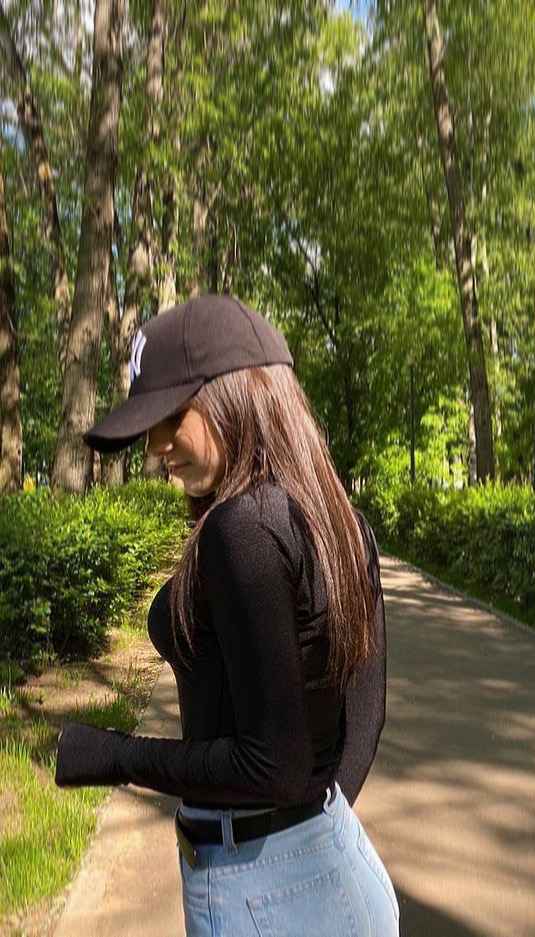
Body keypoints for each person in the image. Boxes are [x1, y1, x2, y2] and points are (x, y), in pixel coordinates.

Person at [54, 294, 400, 937]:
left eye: (172, 416)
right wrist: (311, 837)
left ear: (239, 397)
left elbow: (275, 765)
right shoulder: (338, 520)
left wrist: (110, 754)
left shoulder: (243, 528)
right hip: (337, 869)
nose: (157, 446)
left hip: (263, 892)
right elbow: (364, 716)